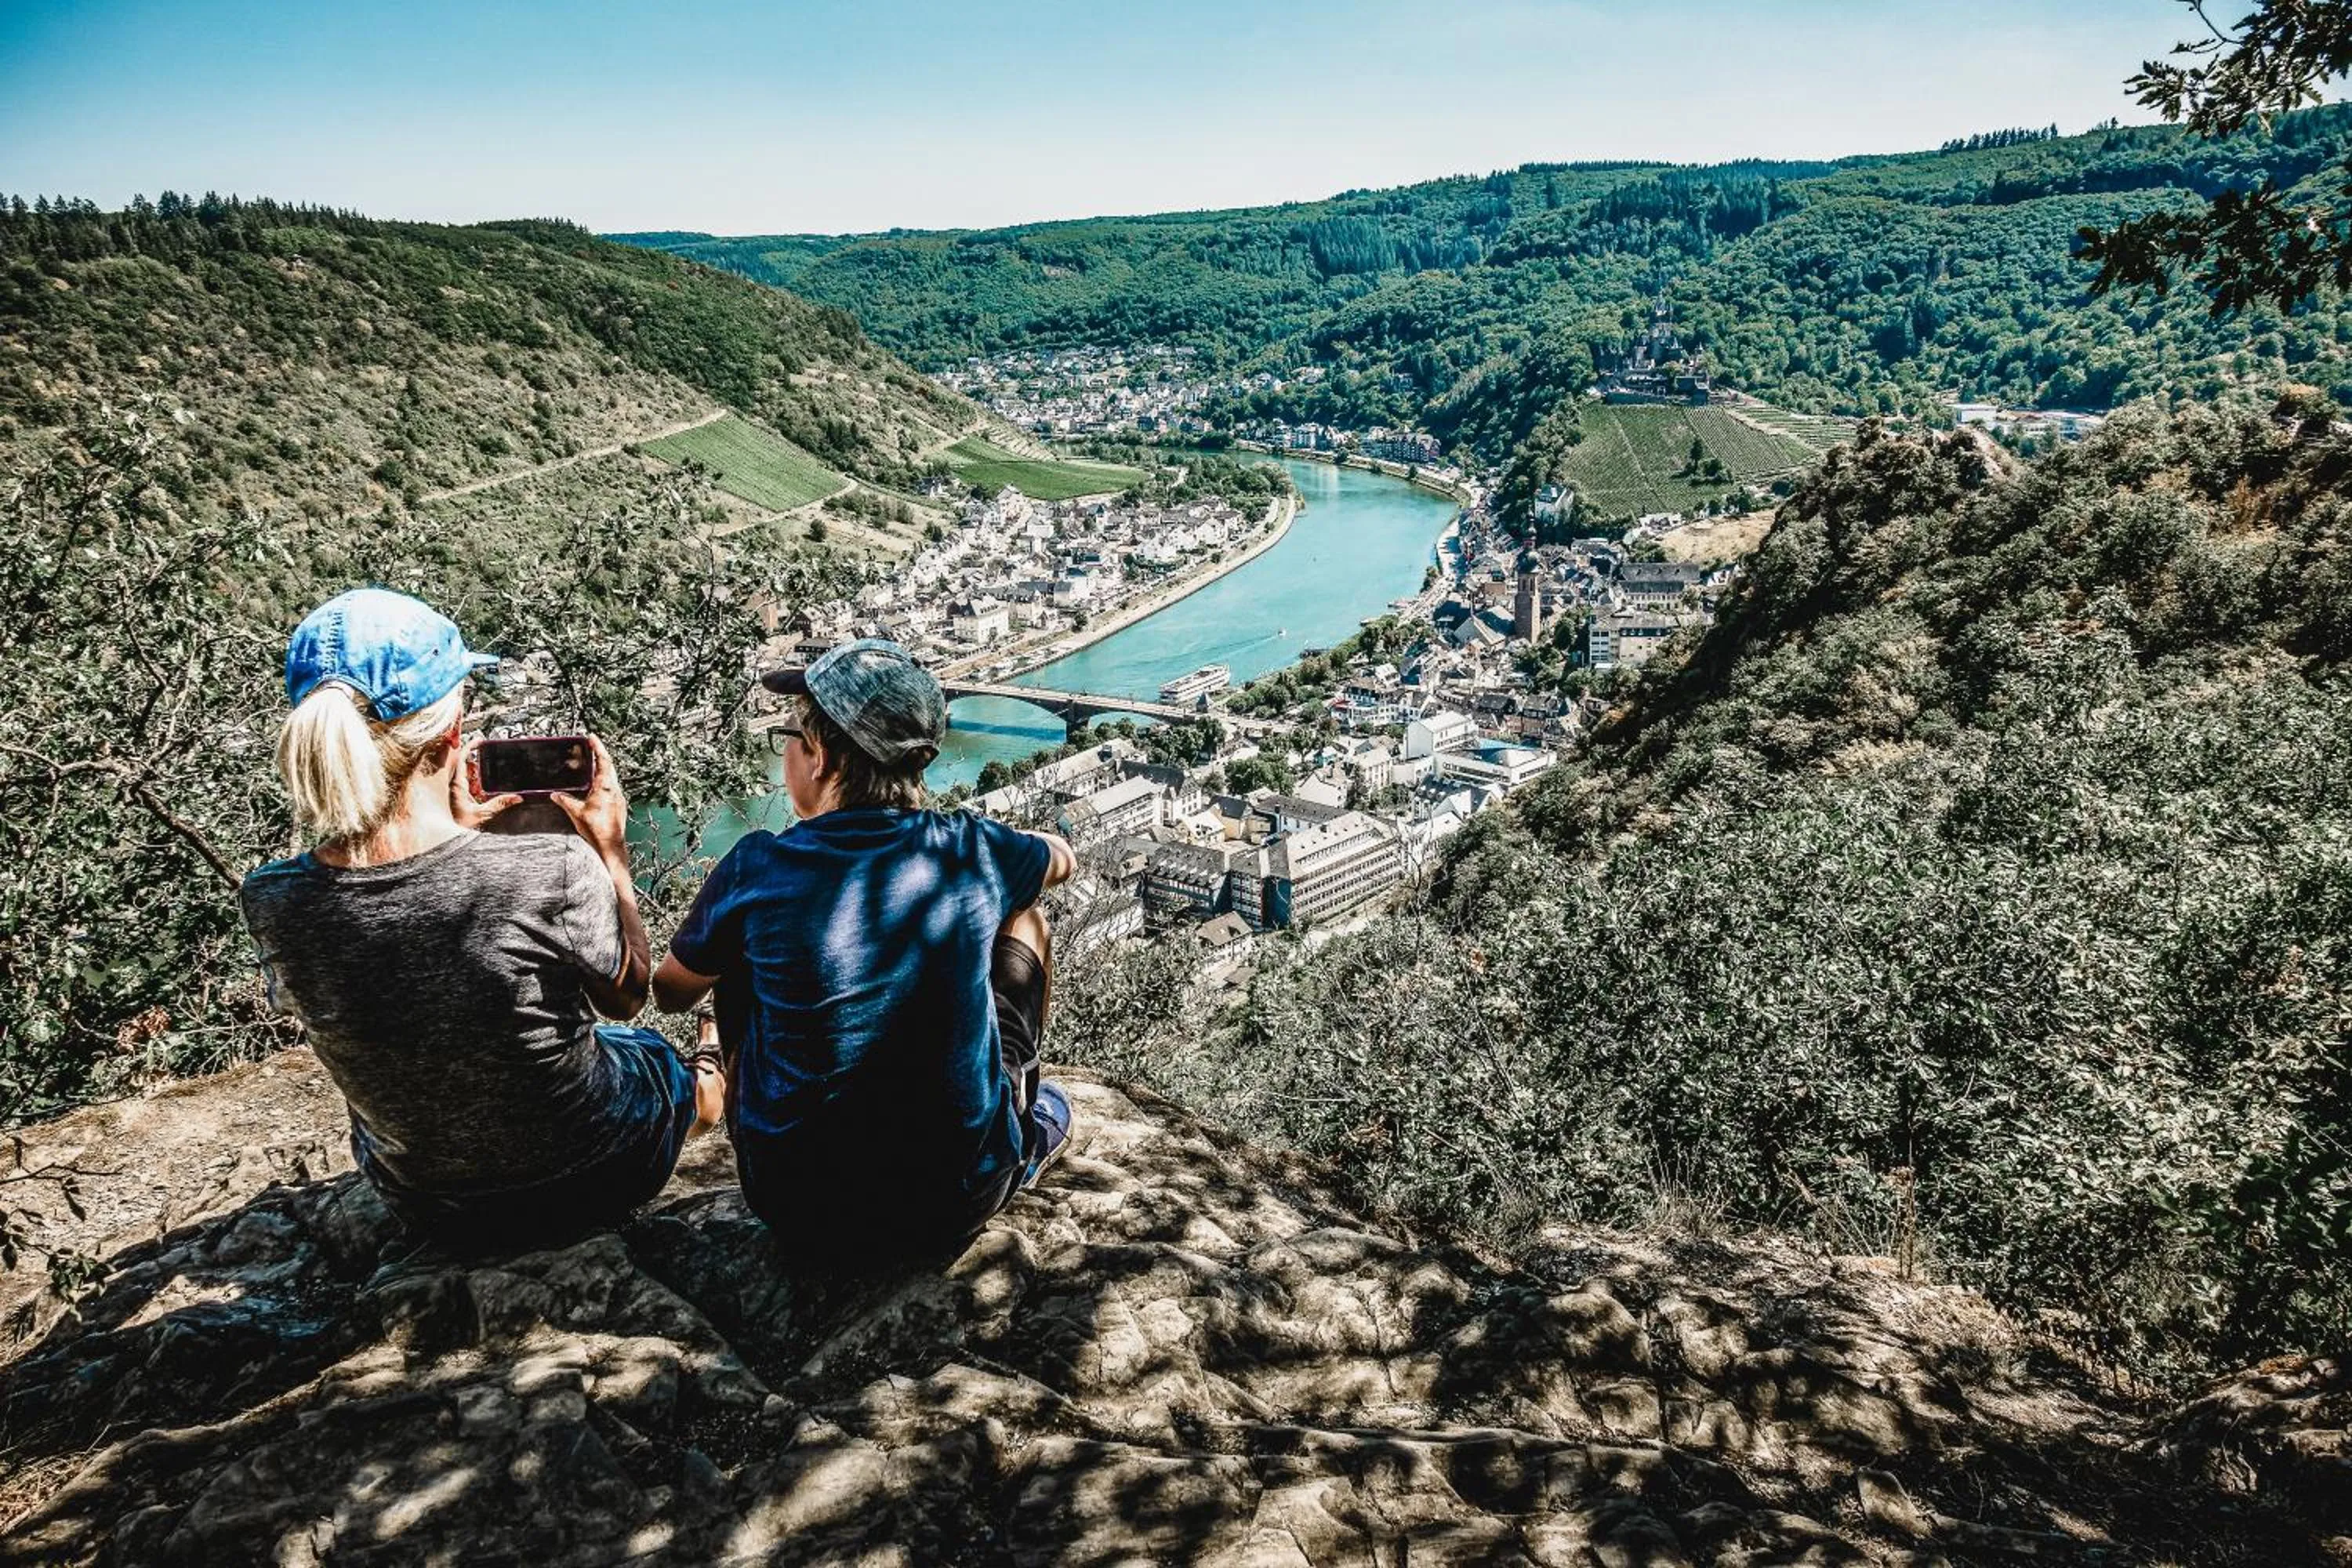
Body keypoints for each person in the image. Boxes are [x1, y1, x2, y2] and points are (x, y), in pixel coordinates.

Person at [239, 588, 725, 1249]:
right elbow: (627, 997)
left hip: (425, 1200)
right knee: (648, 1055)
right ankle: (710, 1080)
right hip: (592, 1175)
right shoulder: (551, 866)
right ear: (451, 734)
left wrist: (453, 837)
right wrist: (608, 850)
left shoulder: (272, 898)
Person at [652, 638, 1077, 1261]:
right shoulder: (971, 849)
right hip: (956, 1198)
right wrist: (1022, 847)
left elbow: (670, 991)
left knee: (737, 949)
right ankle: (1015, 1113)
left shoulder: (758, 866)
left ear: (820, 757)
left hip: (794, 1201)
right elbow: (1061, 861)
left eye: (791, 738)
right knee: (1025, 916)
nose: (788, 754)